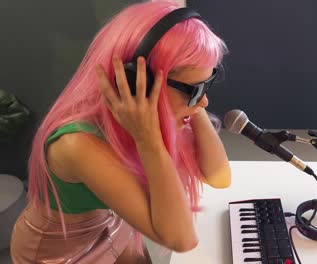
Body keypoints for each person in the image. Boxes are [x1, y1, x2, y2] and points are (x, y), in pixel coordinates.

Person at [10, 0, 231, 263]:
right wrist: (149, 142)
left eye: (209, 83)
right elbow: (181, 239)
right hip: (61, 253)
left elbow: (219, 176)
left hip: (114, 230)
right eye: (193, 90)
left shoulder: (150, 118)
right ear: (137, 83)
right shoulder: (77, 144)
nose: (204, 101)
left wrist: (194, 101)